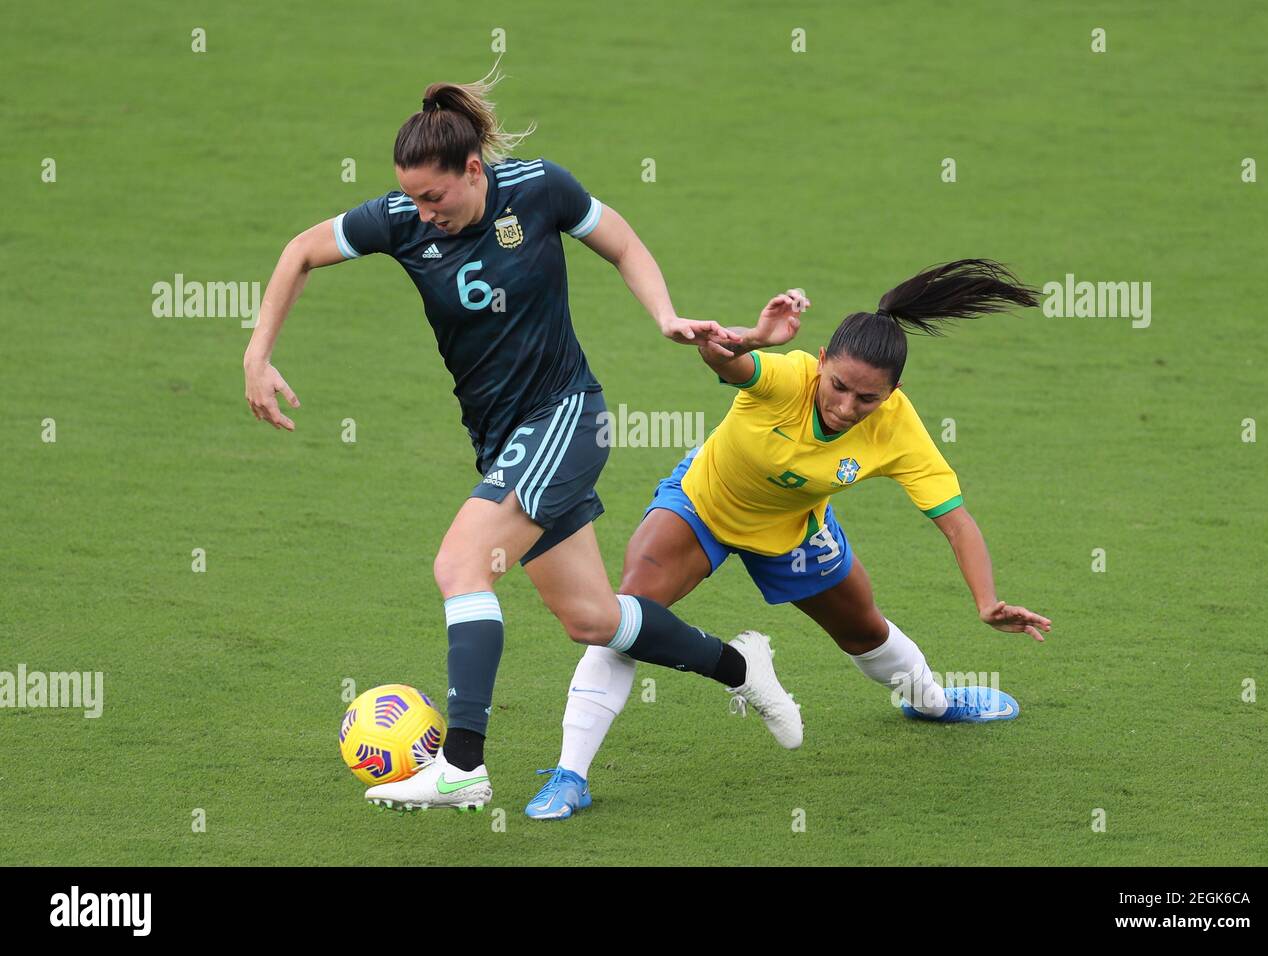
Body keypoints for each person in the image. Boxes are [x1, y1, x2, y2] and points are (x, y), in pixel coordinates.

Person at [242, 66, 802, 812]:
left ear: (474, 170)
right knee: (592, 618)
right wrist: (258, 353)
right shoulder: (402, 221)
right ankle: (743, 666)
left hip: (567, 416)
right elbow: (298, 252)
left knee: (459, 564)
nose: (421, 211)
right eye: (409, 196)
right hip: (503, 439)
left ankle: (465, 764)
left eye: (433, 196)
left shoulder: (538, 190)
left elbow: (624, 243)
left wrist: (666, 316)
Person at [526, 260, 1054, 820]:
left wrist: (985, 602)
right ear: (820, 363)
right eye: (839, 386)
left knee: (863, 629)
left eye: (868, 399)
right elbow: (721, 358)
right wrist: (754, 337)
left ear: (893, 392)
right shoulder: (789, 376)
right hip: (703, 503)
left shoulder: (898, 427)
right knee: (625, 618)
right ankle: (571, 774)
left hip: (794, 528)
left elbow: (955, 520)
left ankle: (933, 702)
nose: (846, 407)